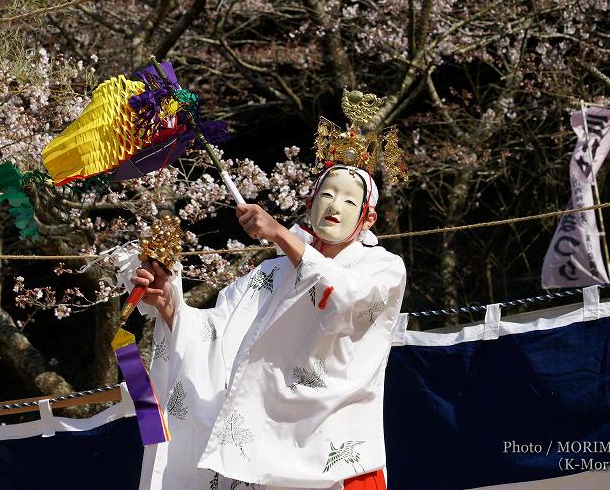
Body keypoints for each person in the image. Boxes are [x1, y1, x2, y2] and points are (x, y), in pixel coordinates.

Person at [132, 164, 406, 490]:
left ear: (368, 218)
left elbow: (346, 301)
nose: (334, 206)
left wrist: (280, 234)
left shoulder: (382, 269)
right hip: (262, 456)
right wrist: (167, 303)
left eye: (349, 201)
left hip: (334, 457)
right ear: (309, 203)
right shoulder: (271, 273)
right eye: (327, 194)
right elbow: (216, 336)